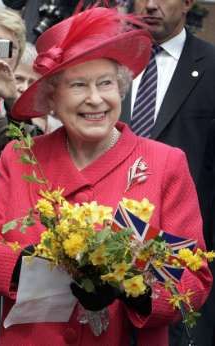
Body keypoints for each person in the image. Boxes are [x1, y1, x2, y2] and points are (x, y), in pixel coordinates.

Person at [0, 6, 212, 346]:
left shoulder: (164, 164)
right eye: (79, 85)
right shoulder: (23, 159)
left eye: (105, 83)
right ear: (51, 98)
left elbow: (192, 281)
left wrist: (134, 290)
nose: (96, 99)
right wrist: (30, 265)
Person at [120, 0, 215, 344]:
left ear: (188, 3)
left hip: (186, 262)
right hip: (105, 261)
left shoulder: (211, 66)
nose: (149, 4)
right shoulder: (111, 62)